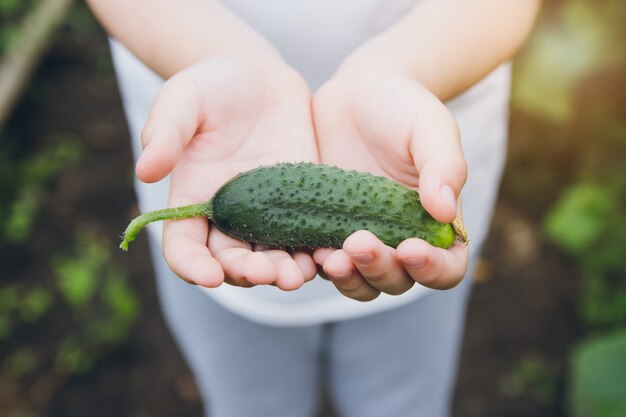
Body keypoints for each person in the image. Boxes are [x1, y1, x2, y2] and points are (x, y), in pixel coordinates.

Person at [86, 1, 541, 416]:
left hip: (412, 152)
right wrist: (217, 54)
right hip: (208, 144)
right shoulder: (224, 201)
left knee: (402, 401)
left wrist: (397, 69)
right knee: (252, 403)